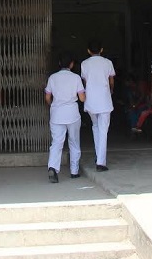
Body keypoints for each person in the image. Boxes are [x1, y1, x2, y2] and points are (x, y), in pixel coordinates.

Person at [45, 52, 85, 183]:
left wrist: (53, 105)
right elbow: (82, 98)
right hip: (72, 114)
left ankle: (52, 167)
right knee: (74, 142)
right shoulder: (76, 78)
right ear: (71, 64)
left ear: (59, 63)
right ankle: (74, 171)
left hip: (57, 114)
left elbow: (47, 97)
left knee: (56, 142)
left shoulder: (52, 78)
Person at [80, 40, 115, 172]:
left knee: (95, 126)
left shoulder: (84, 64)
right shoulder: (108, 63)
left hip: (90, 100)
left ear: (88, 51)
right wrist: (111, 90)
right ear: (101, 50)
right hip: (104, 100)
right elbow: (111, 81)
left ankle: (98, 156)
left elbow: (85, 81)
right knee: (103, 130)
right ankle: (101, 162)